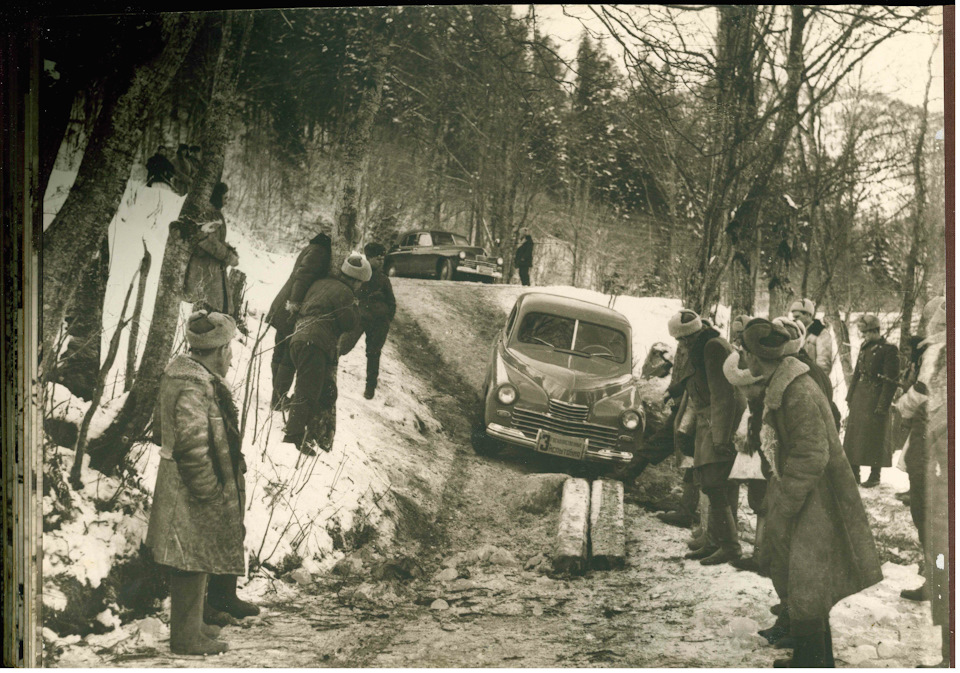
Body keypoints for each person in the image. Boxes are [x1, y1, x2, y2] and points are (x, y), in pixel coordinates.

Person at [740, 318, 883, 668]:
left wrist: (785, 504)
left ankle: (814, 662)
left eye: (746, 353)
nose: (745, 359)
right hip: (804, 495)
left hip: (814, 500)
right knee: (805, 583)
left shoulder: (797, 391)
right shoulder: (784, 384)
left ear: (758, 357)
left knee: (807, 582)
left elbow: (811, 454)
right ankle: (812, 658)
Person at [145, 310, 248, 655]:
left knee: (196, 554)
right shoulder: (192, 384)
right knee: (188, 558)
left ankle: (193, 626)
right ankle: (185, 638)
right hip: (188, 483)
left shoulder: (193, 378)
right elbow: (191, 445)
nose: (231, 358)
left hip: (187, 481)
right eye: (229, 350)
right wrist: (208, 490)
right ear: (218, 351)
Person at [668, 309, 746, 566]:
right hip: (708, 420)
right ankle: (714, 541)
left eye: (682, 340)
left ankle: (730, 547)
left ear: (688, 337)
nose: (681, 345)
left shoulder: (712, 347)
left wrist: (721, 437)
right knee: (709, 482)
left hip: (717, 421)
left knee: (715, 483)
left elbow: (722, 394)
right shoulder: (706, 344)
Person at [283, 252, 370, 456]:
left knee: (323, 389)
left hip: (299, 338)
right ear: (357, 281)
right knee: (307, 390)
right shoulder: (346, 294)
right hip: (315, 343)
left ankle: (305, 429)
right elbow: (349, 323)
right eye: (361, 283)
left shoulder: (320, 282)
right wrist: (356, 307)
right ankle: (293, 436)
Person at [894, 298, 945, 607]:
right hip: (934, 437)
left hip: (931, 437)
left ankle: (937, 581)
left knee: (926, 511)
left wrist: (902, 404)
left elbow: (924, 391)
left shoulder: (937, 350)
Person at [266, 229, 333, 409]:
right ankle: (278, 399)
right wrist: (295, 304)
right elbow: (303, 277)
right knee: (286, 356)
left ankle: (277, 397)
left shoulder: (314, 247)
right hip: (291, 307)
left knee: (281, 352)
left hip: (285, 304)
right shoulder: (320, 252)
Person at [843, 314, 899, 487]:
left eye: (867, 332)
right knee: (854, 436)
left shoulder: (889, 350)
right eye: (863, 332)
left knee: (875, 437)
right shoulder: (865, 346)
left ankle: (875, 475)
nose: (864, 336)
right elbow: (857, 374)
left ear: (876, 331)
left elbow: (890, 381)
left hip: (876, 397)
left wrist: (883, 404)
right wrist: (850, 396)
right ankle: (854, 473)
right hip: (860, 397)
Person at [184, 182, 239, 314]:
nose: (226, 202)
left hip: (210, 270)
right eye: (225, 198)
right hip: (205, 270)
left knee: (213, 311)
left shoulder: (214, 213)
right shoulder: (209, 214)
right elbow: (209, 242)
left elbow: (217, 240)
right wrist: (229, 256)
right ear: (217, 197)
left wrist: (230, 250)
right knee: (208, 313)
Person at [355, 242, 397, 399]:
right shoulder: (359, 274)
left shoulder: (383, 279)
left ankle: (370, 388)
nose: (381, 262)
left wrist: (386, 318)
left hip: (379, 322)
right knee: (344, 345)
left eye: (382, 259)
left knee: (373, 353)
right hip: (360, 319)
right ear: (368, 258)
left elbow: (392, 302)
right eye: (377, 259)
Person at [788, 298, 834, 376]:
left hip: (813, 378)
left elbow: (824, 364)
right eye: (793, 317)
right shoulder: (795, 333)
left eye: (797, 317)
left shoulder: (820, 333)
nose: (794, 320)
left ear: (808, 315)